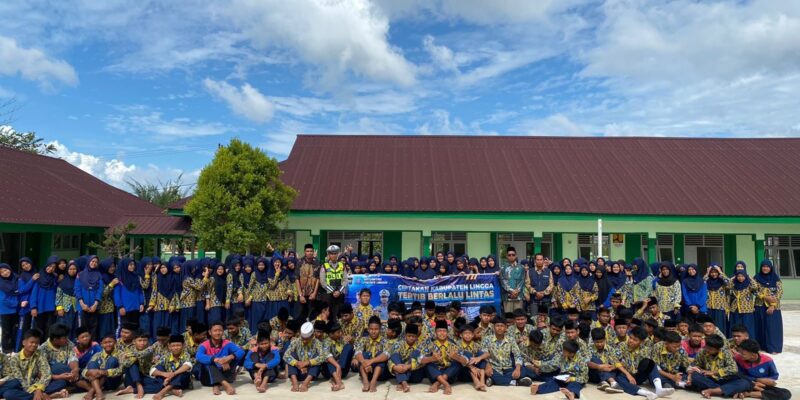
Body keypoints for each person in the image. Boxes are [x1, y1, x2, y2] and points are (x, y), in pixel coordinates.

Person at [4, 328, 69, 400]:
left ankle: (39, 396)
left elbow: (46, 373)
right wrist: (34, 391)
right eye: (31, 342)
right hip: (22, 387)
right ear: (24, 342)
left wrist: (39, 389)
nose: (34, 345)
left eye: (37, 343)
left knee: (61, 383)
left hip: (38, 385)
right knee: (8, 394)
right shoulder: (15, 359)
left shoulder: (40, 354)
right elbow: (19, 379)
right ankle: (47, 396)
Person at [39, 323, 90, 395]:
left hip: (69, 375)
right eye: (64, 337)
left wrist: (75, 369)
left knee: (81, 368)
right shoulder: (43, 349)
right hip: (52, 377)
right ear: (55, 340)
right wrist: (59, 376)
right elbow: (42, 372)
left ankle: (75, 384)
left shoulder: (68, 343)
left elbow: (72, 358)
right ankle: (84, 385)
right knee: (58, 367)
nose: (67, 339)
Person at [196, 320, 245, 395]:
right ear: (210, 332)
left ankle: (216, 385)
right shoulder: (204, 345)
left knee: (235, 356)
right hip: (207, 378)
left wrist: (229, 358)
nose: (218, 333)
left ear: (223, 332)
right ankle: (225, 384)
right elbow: (198, 356)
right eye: (215, 331)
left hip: (225, 373)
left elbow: (241, 352)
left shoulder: (227, 343)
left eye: (220, 330)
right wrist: (216, 360)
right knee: (209, 362)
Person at [284, 321, 327, 392]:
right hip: (298, 372)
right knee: (292, 354)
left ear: (312, 335)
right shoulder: (295, 341)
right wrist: (296, 363)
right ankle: (295, 382)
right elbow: (286, 355)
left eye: (306, 339)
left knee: (317, 356)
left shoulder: (317, 343)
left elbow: (323, 356)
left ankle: (305, 383)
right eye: (302, 338)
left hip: (311, 374)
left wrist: (308, 362)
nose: (304, 341)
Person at [148, 334, 193, 400]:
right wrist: (164, 374)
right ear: (169, 346)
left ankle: (164, 391)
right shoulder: (165, 356)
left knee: (183, 371)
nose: (175, 348)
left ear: (183, 346)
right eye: (173, 346)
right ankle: (172, 390)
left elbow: (188, 365)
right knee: (159, 367)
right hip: (167, 380)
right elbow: (152, 370)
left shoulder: (186, 354)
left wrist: (173, 374)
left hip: (182, 382)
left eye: (178, 345)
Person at [421, 320, 460, 395]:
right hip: (435, 375)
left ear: (448, 333)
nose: (442, 333)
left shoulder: (453, 345)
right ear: (435, 333)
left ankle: (437, 384)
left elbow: (466, 361)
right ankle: (446, 385)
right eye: (439, 331)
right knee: (428, 363)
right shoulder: (429, 345)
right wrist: (431, 358)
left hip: (450, 376)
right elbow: (420, 360)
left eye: (444, 331)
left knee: (457, 362)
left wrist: (457, 357)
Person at [484, 316, 524, 387]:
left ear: (506, 328)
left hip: (508, 368)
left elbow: (517, 355)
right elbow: (483, 355)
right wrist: (487, 366)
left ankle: (494, 380)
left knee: (523, 370)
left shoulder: (511, 339)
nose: (499, 328)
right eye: (497, 326)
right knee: (488, 373)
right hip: (493, 368)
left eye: (502, 326)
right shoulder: (487, 339)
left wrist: (517, 369)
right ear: (493, 327)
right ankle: (515, 382)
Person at [83, 334, 125, 400]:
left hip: (112, 382)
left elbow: (121, 370)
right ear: (101, 344)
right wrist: (90, 372)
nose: (108, 344)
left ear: (115, 342)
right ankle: (98, 391)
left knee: (112, 360)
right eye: (105, 343)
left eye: (110, 342)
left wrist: (104, 372)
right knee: (92, 364)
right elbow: (84, 371)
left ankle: (92, 391)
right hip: (98, 382)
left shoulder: (120, 354)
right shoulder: (97, 355)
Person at [753, 259, 783, 354]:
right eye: (763, 266)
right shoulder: (756, 277)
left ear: (771, 268)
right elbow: (753, 290)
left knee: (772, 327)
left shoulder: (776, 278)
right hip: (759, 305)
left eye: (767, 267)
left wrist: (773, 305)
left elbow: (780, 292)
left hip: (773, 307)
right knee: (760, 326)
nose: (765, 268)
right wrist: (764, 297)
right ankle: (761, 346)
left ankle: (773, 347)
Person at [353, 315, 389, 392]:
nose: (373, 331)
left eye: (376, 329)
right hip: (366, 370)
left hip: (380, 374)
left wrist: (371, 361)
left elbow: (386, 355)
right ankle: (365, 382)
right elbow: (357, 352)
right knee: (364, 354)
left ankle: (373, 382)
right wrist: (364, 362)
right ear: (368, 329)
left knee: (381, 354)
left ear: (380, 329)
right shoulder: (363, 339)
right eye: (371, 329)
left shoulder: (385, 341)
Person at [389, 323, 425, 392]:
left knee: (415, 353)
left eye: (413, 336)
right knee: (394, 355)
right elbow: (390, 360)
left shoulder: (421, 346)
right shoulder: (398, 344)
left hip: (414, 374)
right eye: (409, 336)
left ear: (417, 337)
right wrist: (395, 367)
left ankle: (401, 381)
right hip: (399, 370)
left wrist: (408, 366)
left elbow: (423, 363)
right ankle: (404, 382)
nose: (411, 338)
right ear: (405, 335)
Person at [75, 255, 103, 341]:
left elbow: (100, 290)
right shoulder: (80, 275)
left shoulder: (98, 275)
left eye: (96, 262)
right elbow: (77, 289)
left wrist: (95, 304)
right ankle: (82, 347)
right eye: (92, 261)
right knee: (82, 329)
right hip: (83, 307)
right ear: (88, 262)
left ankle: (92, 348)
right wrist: (82, 304)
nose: (94, 263)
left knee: (93, 328)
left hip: (94, 307)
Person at [31, 255, 59, 338]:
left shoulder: (54, 278)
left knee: (50, 328)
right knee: (39, 328)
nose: (51, 269)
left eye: (53, 267)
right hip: (40, 307)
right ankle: (39, 346)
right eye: (50, 266)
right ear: (46, 265)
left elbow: (56, 293)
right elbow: (34, 293)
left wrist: (56, 306)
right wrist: (33, 307)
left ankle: (47, 346)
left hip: (51, 308)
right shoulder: (38, 277)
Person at [113, 258, 145, 329]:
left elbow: (140, 291)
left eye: (133, 264)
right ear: (125, 265)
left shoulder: (136, 277)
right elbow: (117, 295)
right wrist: (120, 307)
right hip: (125, 309)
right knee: (124, 329)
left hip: (136, 308)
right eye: (130, 265)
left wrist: (141, 303)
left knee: (135, 329)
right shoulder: (120, 278)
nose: (132, 266)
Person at [319, 245, 349, 318]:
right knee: (329, 314)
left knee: (339, 315)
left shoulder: (342, 265)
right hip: (328, 294)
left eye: (335, 253)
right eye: (331, 253)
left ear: (338, 254)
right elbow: (323, 282)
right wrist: (333, 291)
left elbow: (345, 280)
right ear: (328, 255)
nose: (333, 255)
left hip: (340, 294)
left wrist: (339, 291)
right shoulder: (324, 266)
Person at [729, 270, 759, 340]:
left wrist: (750, 278)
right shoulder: (734, 284)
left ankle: (749, 344)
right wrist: (732, 278)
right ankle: (736, 344)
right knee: (736, 328)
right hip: (735, 309)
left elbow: (755, 286)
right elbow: (728, 285)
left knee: (747, 328)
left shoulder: (749, 284)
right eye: (738, 276)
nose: (740, 278)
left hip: (747, 310)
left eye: (742, 276)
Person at [55, 260, 79, 338]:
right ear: (67, 270)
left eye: (74, 269)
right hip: (65, 309)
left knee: (75, 327)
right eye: (70, 269)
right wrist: (59, 308)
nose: (72, 271)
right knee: (65, 328)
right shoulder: (63, 281)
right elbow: (58, 295)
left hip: (76, 308)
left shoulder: (79, 281)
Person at [0, 262, 20, 353]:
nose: (5, 272)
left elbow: (20, 291)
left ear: (10, 269)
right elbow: (3, 300)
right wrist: (17, 303)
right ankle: (6, 350)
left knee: (15, 330)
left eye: (6, 270)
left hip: (16, 310)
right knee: (6, 331)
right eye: (2, 272)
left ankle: (14, 348)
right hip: (5, 311)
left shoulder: (16, 278)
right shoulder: (1, 283)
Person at [704, 264, 729, 336]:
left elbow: (730, 284)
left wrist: (721, 272)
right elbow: (702, 283)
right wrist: (707, 273)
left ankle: (721, 343)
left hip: (720, 308)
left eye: (715, 272)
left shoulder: (722, 282)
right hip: (708, 307)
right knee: (708, 327)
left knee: (719, 327)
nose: (713, 274)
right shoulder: (707, 281)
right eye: (712, 272)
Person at [298, 244, 321, 321]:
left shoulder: (317, 262)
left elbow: (318, 279)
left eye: (311, 251)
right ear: (305, 252)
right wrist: (300, 295)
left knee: (313, 316)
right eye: (307, 251)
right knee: (302, 316)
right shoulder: (299, 262)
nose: (310, 253)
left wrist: (314, 293)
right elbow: (296, 279)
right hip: (302, 294)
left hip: (313, 295)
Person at [499, 247, 525, 313]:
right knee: (509, 317)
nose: (511, 256)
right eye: (509, 255)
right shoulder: (503, 268)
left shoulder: (521, 267)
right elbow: (503, 281)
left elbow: (522, 280)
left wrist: (516, 291)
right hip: (507, 296)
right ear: (507, 256)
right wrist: (511, 291)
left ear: (516, 255)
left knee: (518, 317)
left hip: (518, 296)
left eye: (513, 255)